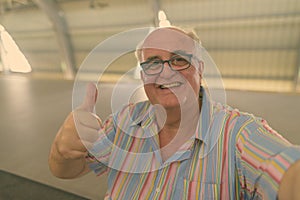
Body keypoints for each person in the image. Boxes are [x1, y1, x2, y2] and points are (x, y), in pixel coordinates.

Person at [49, 26, 300, 199]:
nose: (166, 72)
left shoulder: (239, 135)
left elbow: (285, 170)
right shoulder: (124, 121)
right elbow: (65, 171)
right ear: (144, 73)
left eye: (179, 59)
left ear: (200, 70)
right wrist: (63, 149)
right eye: (153, 62)